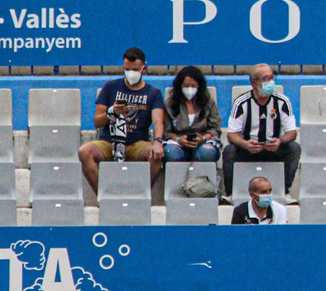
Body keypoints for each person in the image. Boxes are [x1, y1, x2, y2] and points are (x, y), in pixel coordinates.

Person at [78, 46, 165, 192]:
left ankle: (141, 195)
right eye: (128, 69)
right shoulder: (111, 87)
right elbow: (97, 121)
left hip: (137, 143)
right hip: (109, 141)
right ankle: (104, 194)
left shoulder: (153, 93)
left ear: (143, 69)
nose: (131, 73)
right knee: (84, 151)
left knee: (155, 155)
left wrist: (158, 141)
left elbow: (158, 120)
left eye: (135, 70)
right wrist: (112, 112)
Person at [225, 63, 301, 200]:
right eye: (265, 79)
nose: (270, 82)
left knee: (294, 148)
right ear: (254, 83)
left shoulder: (282, 101)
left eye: (271, 78)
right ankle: (231, 194)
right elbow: (231, 135)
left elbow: (292, 133)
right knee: (229, 151)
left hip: (273, 149)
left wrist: (280, 141)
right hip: (248, 149)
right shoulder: (241, 103)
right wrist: (245, 144)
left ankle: (284, 192)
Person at [161, 65, 222, 164]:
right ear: (179, 86)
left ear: (199, 86)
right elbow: (166, 132)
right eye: (186, 86)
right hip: (177, 143)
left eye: (193, 86)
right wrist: (178, 139)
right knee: (170, 152)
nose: (189, 89)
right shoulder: (169, 104)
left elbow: (215, 129)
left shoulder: (208, 103)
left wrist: (202, 139)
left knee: (206, 152)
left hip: (203, 142)